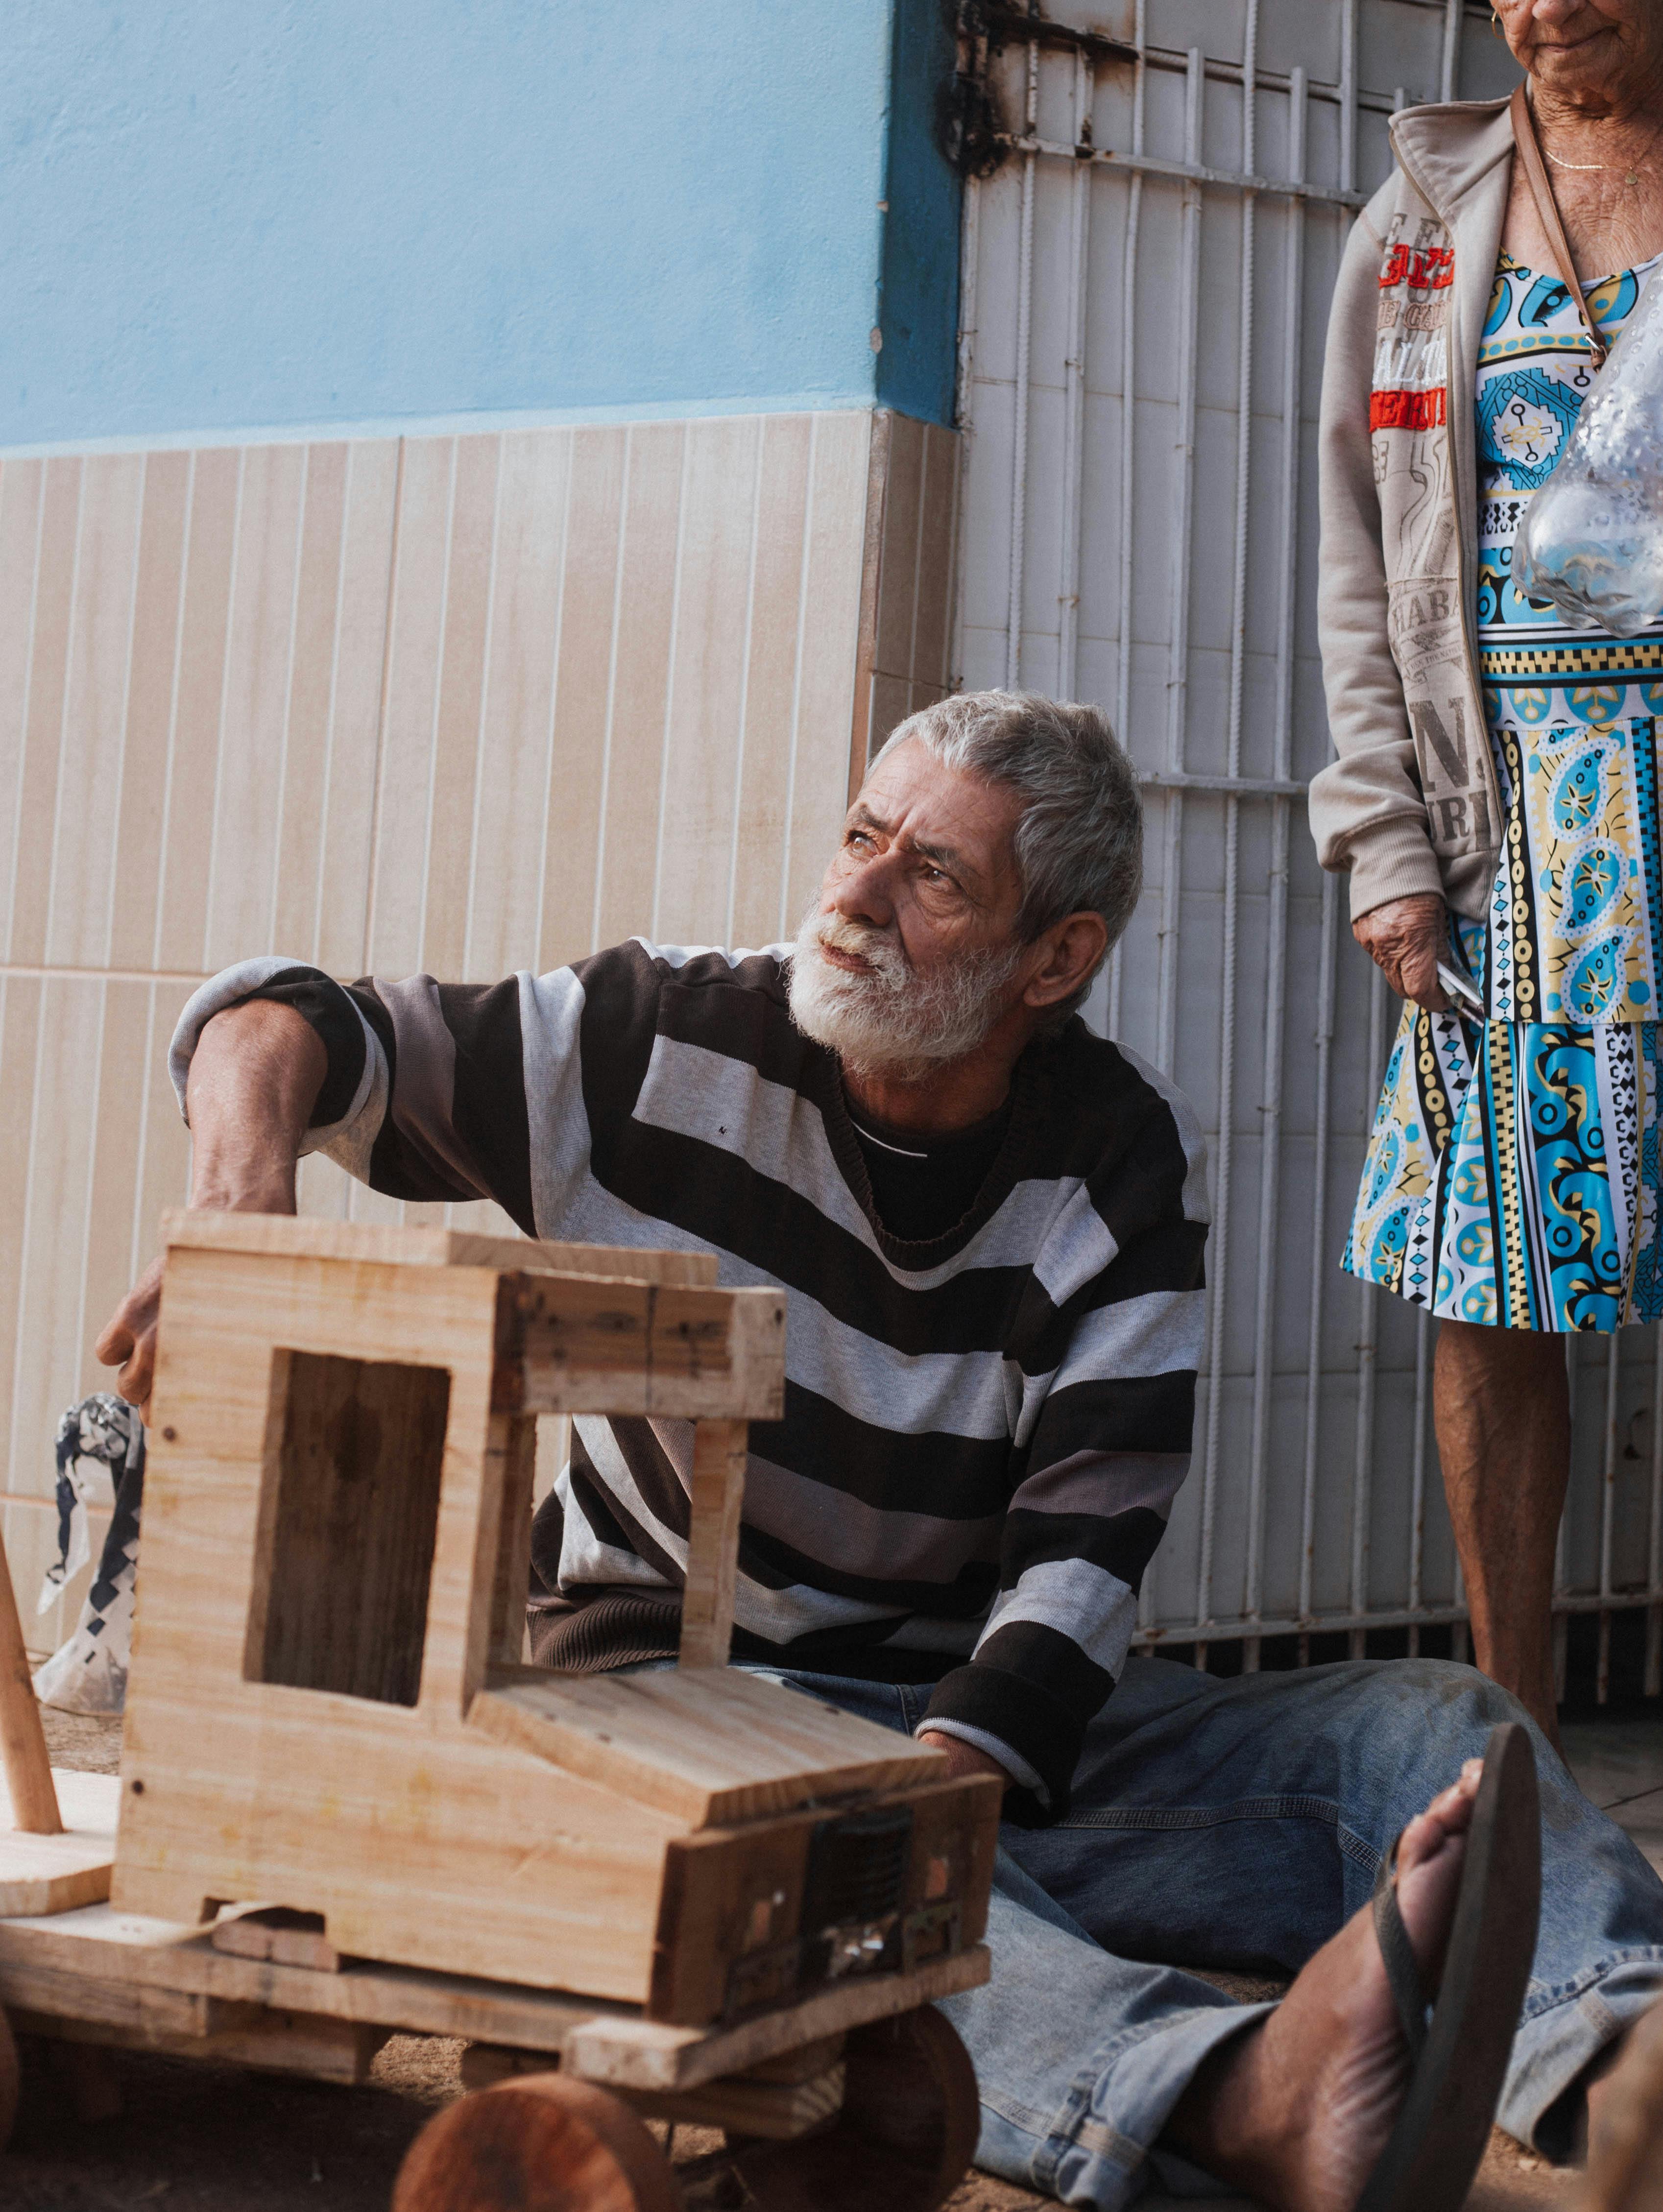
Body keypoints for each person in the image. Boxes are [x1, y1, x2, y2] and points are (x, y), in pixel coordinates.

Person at [99, 687, 1662, 2205]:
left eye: (930, 874)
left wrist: (938, 1788)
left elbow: (1083, 1549)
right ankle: (1231, 2095)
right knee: (856, 1868)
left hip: (962, 1717)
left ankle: (1623, 2061)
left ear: (1055, 958)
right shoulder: (657, 1040)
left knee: (1440, 1729)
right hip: (662, 1694)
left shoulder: (1114, 1156)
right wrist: (238, 1194)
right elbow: (280, 1016)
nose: (852, 892)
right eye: (860, 832)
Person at [1314, 0, 1663, 1750]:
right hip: (1513, 816)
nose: (1546, 5)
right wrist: (1385, 841)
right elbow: (1357, 562)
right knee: (1491, 1270)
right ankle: (1512, 1730)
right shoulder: (1421, 234)